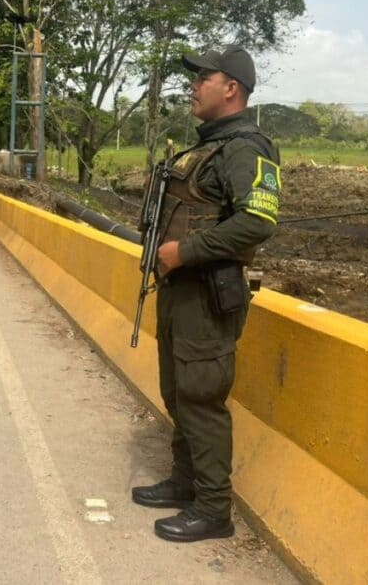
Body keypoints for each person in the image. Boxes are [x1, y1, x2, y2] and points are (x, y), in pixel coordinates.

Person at [131, 44, 281, 543]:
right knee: (178, 391)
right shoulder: (207, 146)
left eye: (203, 78)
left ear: (231, 88)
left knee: (201, 397)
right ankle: (185, 482)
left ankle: (214, 509)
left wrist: (186, 251)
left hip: (209, 295)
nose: (192, 86)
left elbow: (257, 222)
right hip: (181, 290)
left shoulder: (246, 147)